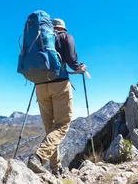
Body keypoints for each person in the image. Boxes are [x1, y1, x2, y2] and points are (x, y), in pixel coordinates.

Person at [27, 18, 86, 176]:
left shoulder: (39, 39)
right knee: (62, 125)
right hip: (59, 85)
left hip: (40, 86)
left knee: (50, 129)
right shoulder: (66, 37)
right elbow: (73, 62)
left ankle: (56, 168)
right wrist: (81, 68)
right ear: (63, 28)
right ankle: (38, 158)